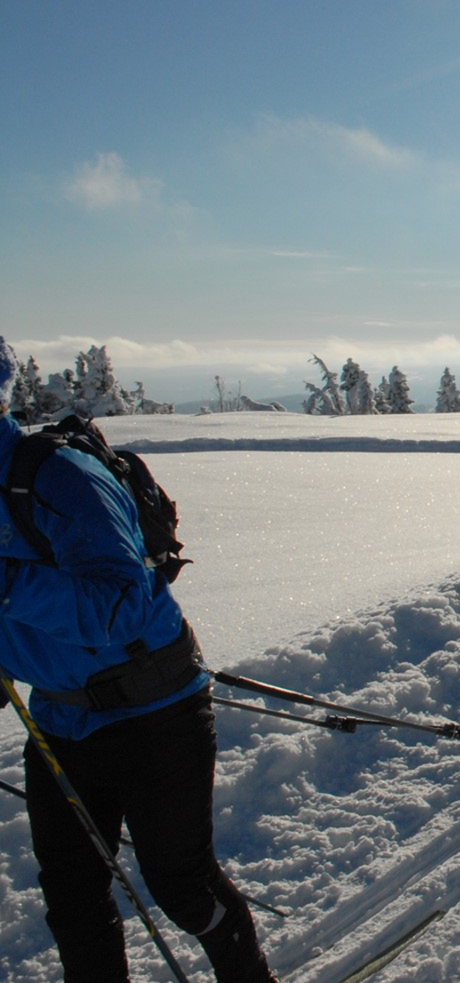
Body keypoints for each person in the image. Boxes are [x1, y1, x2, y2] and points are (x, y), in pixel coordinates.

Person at [0, 338, 279, 983]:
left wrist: (8, 585)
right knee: (72, 897)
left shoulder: (59, 476)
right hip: (59, 722)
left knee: (181, 885)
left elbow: (122, 604)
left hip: (157, 710)